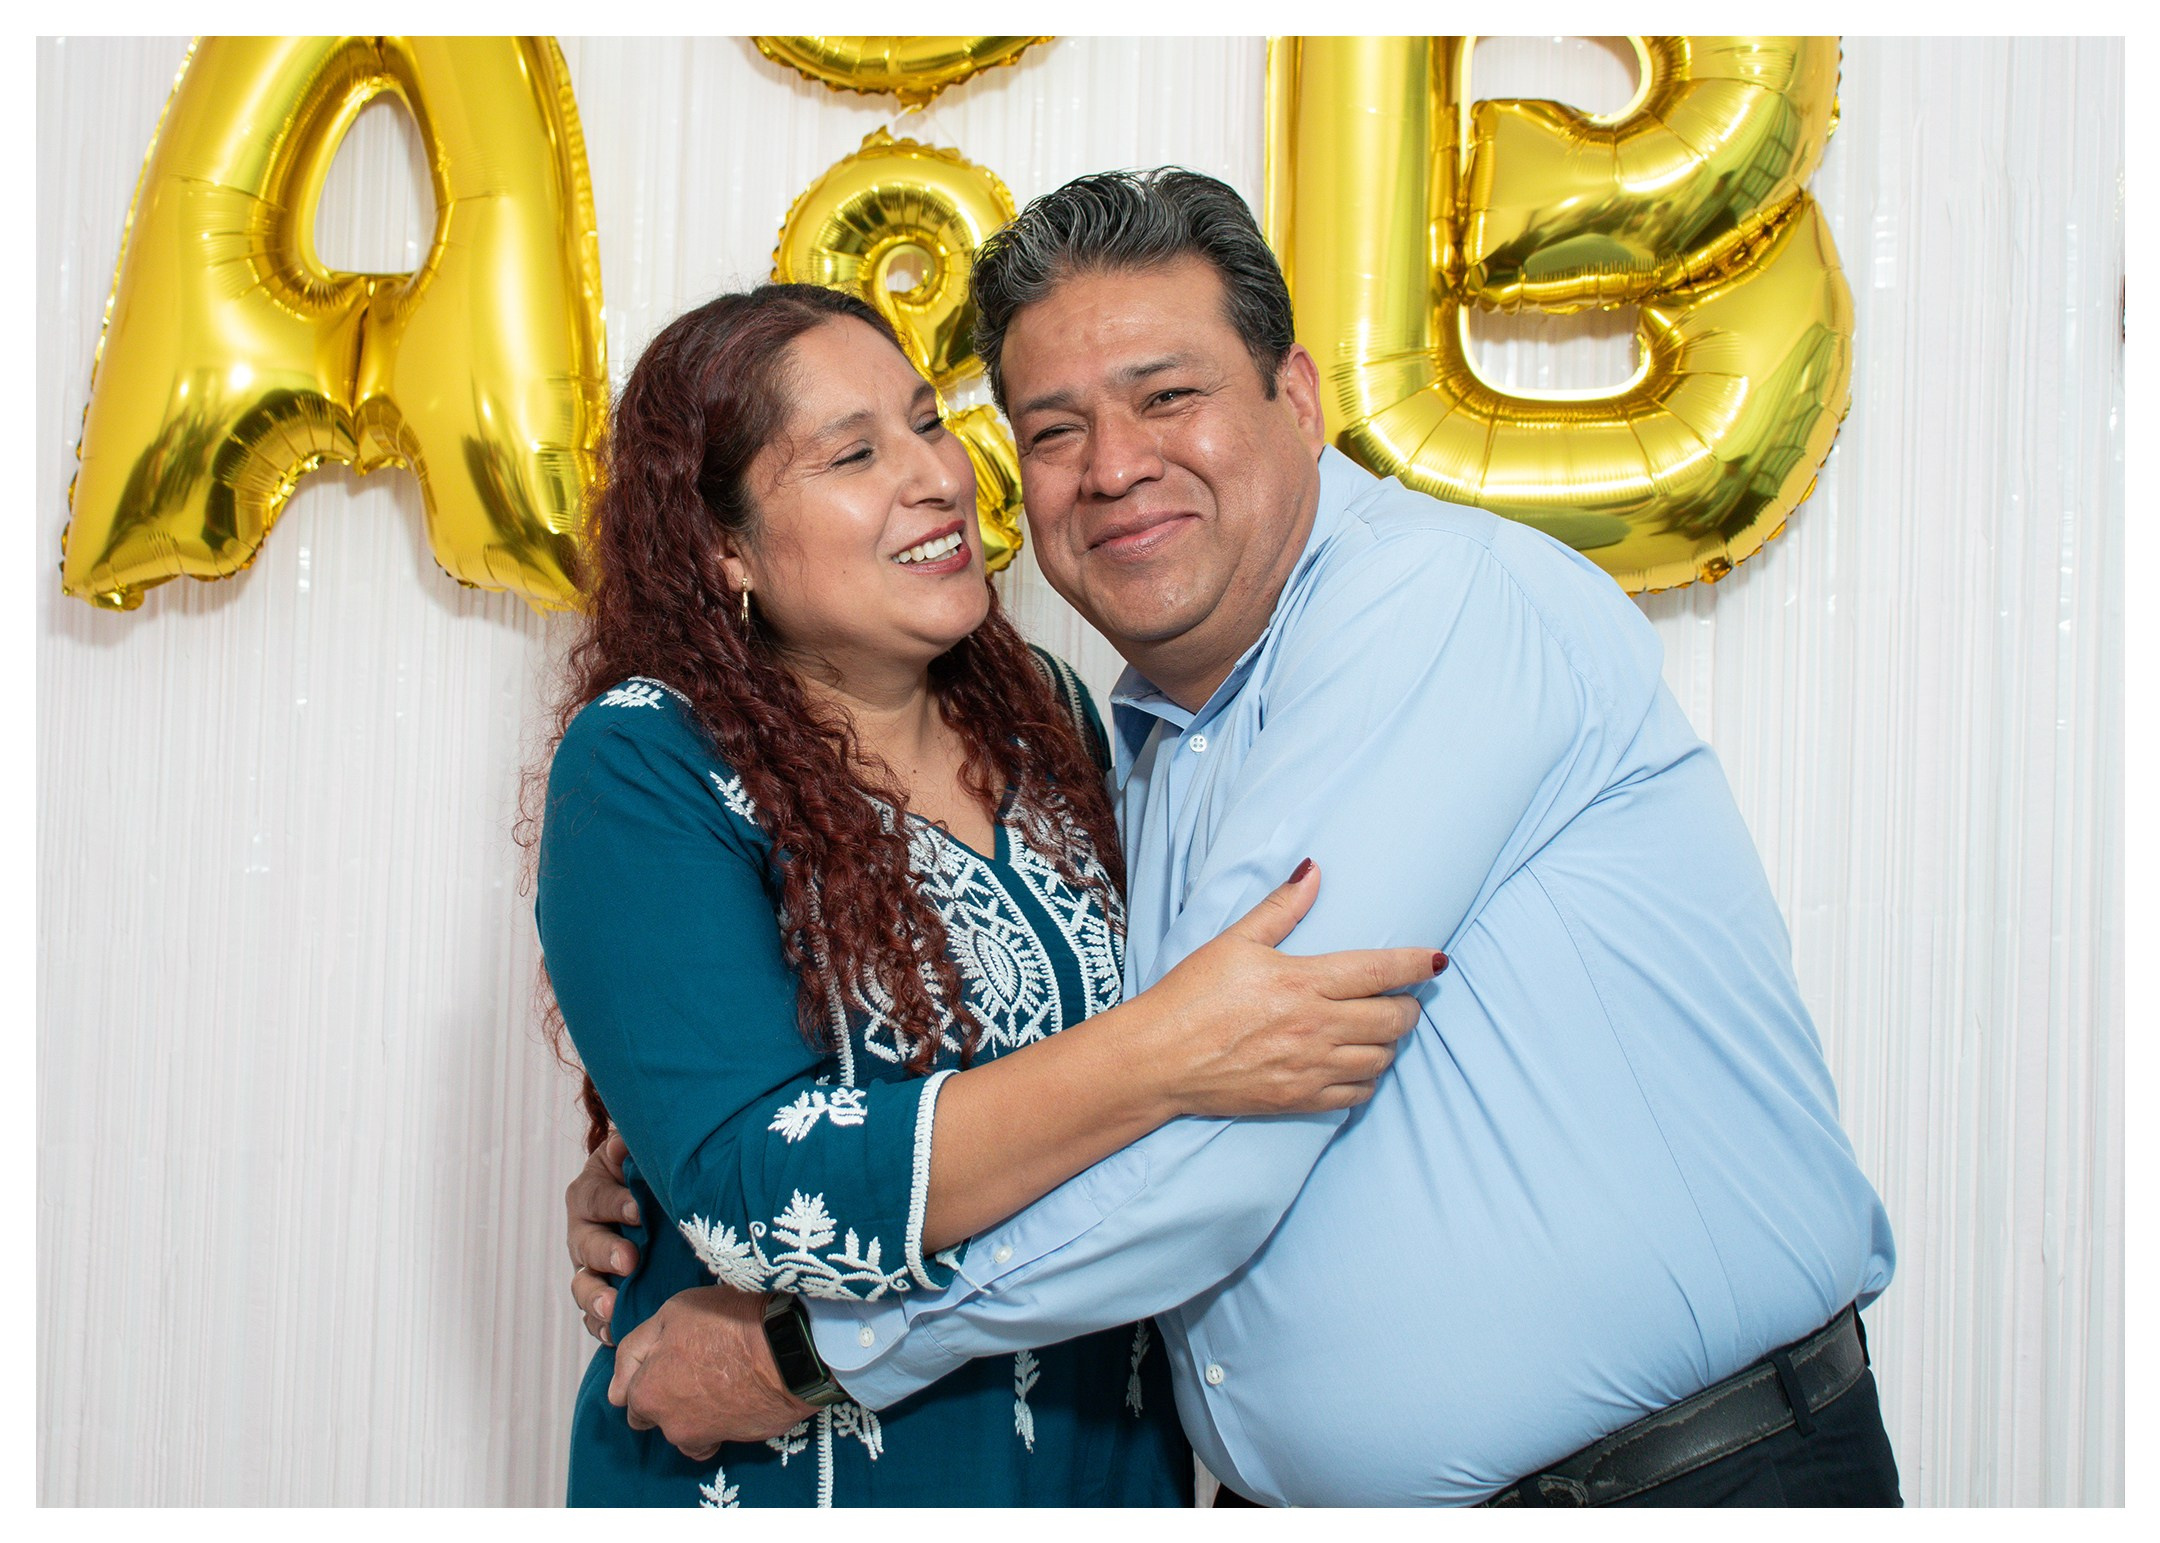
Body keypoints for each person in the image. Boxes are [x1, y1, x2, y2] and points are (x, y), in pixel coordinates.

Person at [565, 172, 1902, 1507]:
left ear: (1300, 398)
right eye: (1050, 426)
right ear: (721, 543)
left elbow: (1214, 1144)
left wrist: (815, 1344)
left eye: (1169, 395)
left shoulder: (1432, 611)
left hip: (1678, 1483)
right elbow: (966, 1098)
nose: (1114, 464)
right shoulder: (1135, 739)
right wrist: (685, 1151)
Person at [530, 281, 1441, 1506]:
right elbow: (759, 1202)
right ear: (722, 547)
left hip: (1098, 1457)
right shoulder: (652, 760)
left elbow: (1234, 1069)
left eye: (928, 423)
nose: (935, 478)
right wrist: (1164, 1054)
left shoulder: (1055, 719)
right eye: (854, 454)